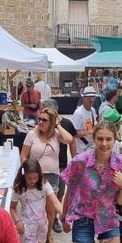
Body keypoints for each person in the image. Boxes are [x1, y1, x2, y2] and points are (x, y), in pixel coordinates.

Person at [20, 107, 73, 243]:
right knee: (35, 209)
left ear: (51, 123)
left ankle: (47, 236)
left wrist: (57, 125)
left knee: (50, 210)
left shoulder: (56, 134)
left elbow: (69, 139)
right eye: (39, 119)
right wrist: (27, 172)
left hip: (52, 175)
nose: (41, 122)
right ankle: (35, 240)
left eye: (44, 120)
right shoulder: (32, 134)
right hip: (34, 177)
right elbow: (24, 155)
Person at [10, 159, 63, 243]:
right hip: (27, 228)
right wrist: (17, 221)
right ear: (24, 175)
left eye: (35, 177)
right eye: (29, 178)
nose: (33, 181)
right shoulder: (19, 188)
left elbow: (55, 201)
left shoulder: (44, 184)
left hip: (42, 226)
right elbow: (12, 208)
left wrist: (65, 216)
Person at [40, 98, 77, 235]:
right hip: (43, 168)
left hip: (61, 166)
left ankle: (54, 217)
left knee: (59, 193)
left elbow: (71, 141)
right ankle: (45, 218)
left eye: (45, 111)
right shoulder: (42, 124)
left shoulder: (66, 123)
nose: (43, 116)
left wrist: (74, 160)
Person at [72, 86, 99, 153]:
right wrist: (89, 132)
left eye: (93, 97)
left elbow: (93, 125)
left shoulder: (93, 110)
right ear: (83, 98)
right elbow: (73, 133)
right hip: (81, 150)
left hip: (91, 148)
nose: (91, 99)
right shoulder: (78, 113)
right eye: (89, 97)